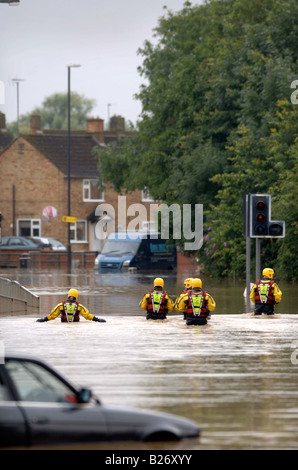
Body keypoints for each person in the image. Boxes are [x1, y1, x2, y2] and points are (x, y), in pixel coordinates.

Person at [36, 288, 106, 323]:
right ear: (76, 296)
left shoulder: (60, 305)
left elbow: (52, 315)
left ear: (68, 295)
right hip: (75, 326)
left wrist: (43, 319)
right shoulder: (79, 306)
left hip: (63, 325)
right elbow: (87, 316)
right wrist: (98, 320)